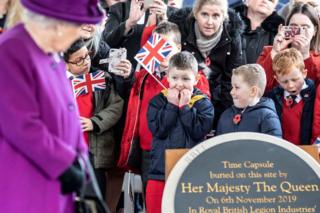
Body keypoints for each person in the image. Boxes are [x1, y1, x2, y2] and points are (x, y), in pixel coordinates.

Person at [0, 0, 104, 212]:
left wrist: (82, 163)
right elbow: (20, 124)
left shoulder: (50, 52)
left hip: (59, 183)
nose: (78, 36)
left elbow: (68, 110)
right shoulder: (12, 49)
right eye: (77, 27)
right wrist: (65, 164)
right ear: (58, 24)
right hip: (30, 183)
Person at [117, 21, 211, 196]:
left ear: (178, 47)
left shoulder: (193, 78)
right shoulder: (145, 75)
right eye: (155, 44)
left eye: (165, 45)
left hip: (179, 149)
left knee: (177, 199)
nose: (160, 51)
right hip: (148, 148)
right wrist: (129, 77)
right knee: (151, 199)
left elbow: (201, 114)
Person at [146, 51, 214, 213]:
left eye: (185, 78)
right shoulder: (157, 101)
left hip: (190, 173)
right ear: (167, 77)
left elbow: (198, 132)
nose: (179, 84)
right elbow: (158, 131)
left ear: (196, 79)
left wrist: (185, 107)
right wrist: (171, 105)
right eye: (175, 78)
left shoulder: (203, 103)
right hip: (159, 172)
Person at [64, 39, 125, 203]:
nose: (86, 63)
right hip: (66, 152)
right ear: (65, 65)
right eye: (79, 60)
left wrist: (95, 122)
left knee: (95, 200)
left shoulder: (101, 78)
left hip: (94, 152)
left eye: (87, 56)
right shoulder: (57, 82)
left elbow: (116, 106)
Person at [168, 0, 245, 129]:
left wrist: (215, 114)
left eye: (216, 16)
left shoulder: (233, 36)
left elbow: (233, 79)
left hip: (217, 102)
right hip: (181, 97)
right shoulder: (181, 29)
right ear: (195, 14)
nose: (209, 22)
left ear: (223, 17)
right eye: (204, 14)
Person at [257, 2, 320, 93]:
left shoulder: (318, 60)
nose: (299, 32)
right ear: (286, 28)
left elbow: (312, 93)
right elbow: (259, 88)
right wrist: (275, 52)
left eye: (305, 27)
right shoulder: (269, 51)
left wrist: (305, 56)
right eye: (294, 27)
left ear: (314, 30)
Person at [216, 64, 282, 137]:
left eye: (237, 87)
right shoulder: (226, 115)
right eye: (232, 87)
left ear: (253, 91)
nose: (231, 92)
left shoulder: (267, 117)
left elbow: (273, 147)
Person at [268, 48, 315, 145]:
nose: (290, 85)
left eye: (295, 79)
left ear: (304, 73)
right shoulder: (273, 97)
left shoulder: (313, 96)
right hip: (282, 150)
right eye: (284, 81)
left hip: (307, 150)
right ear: (277, 79)